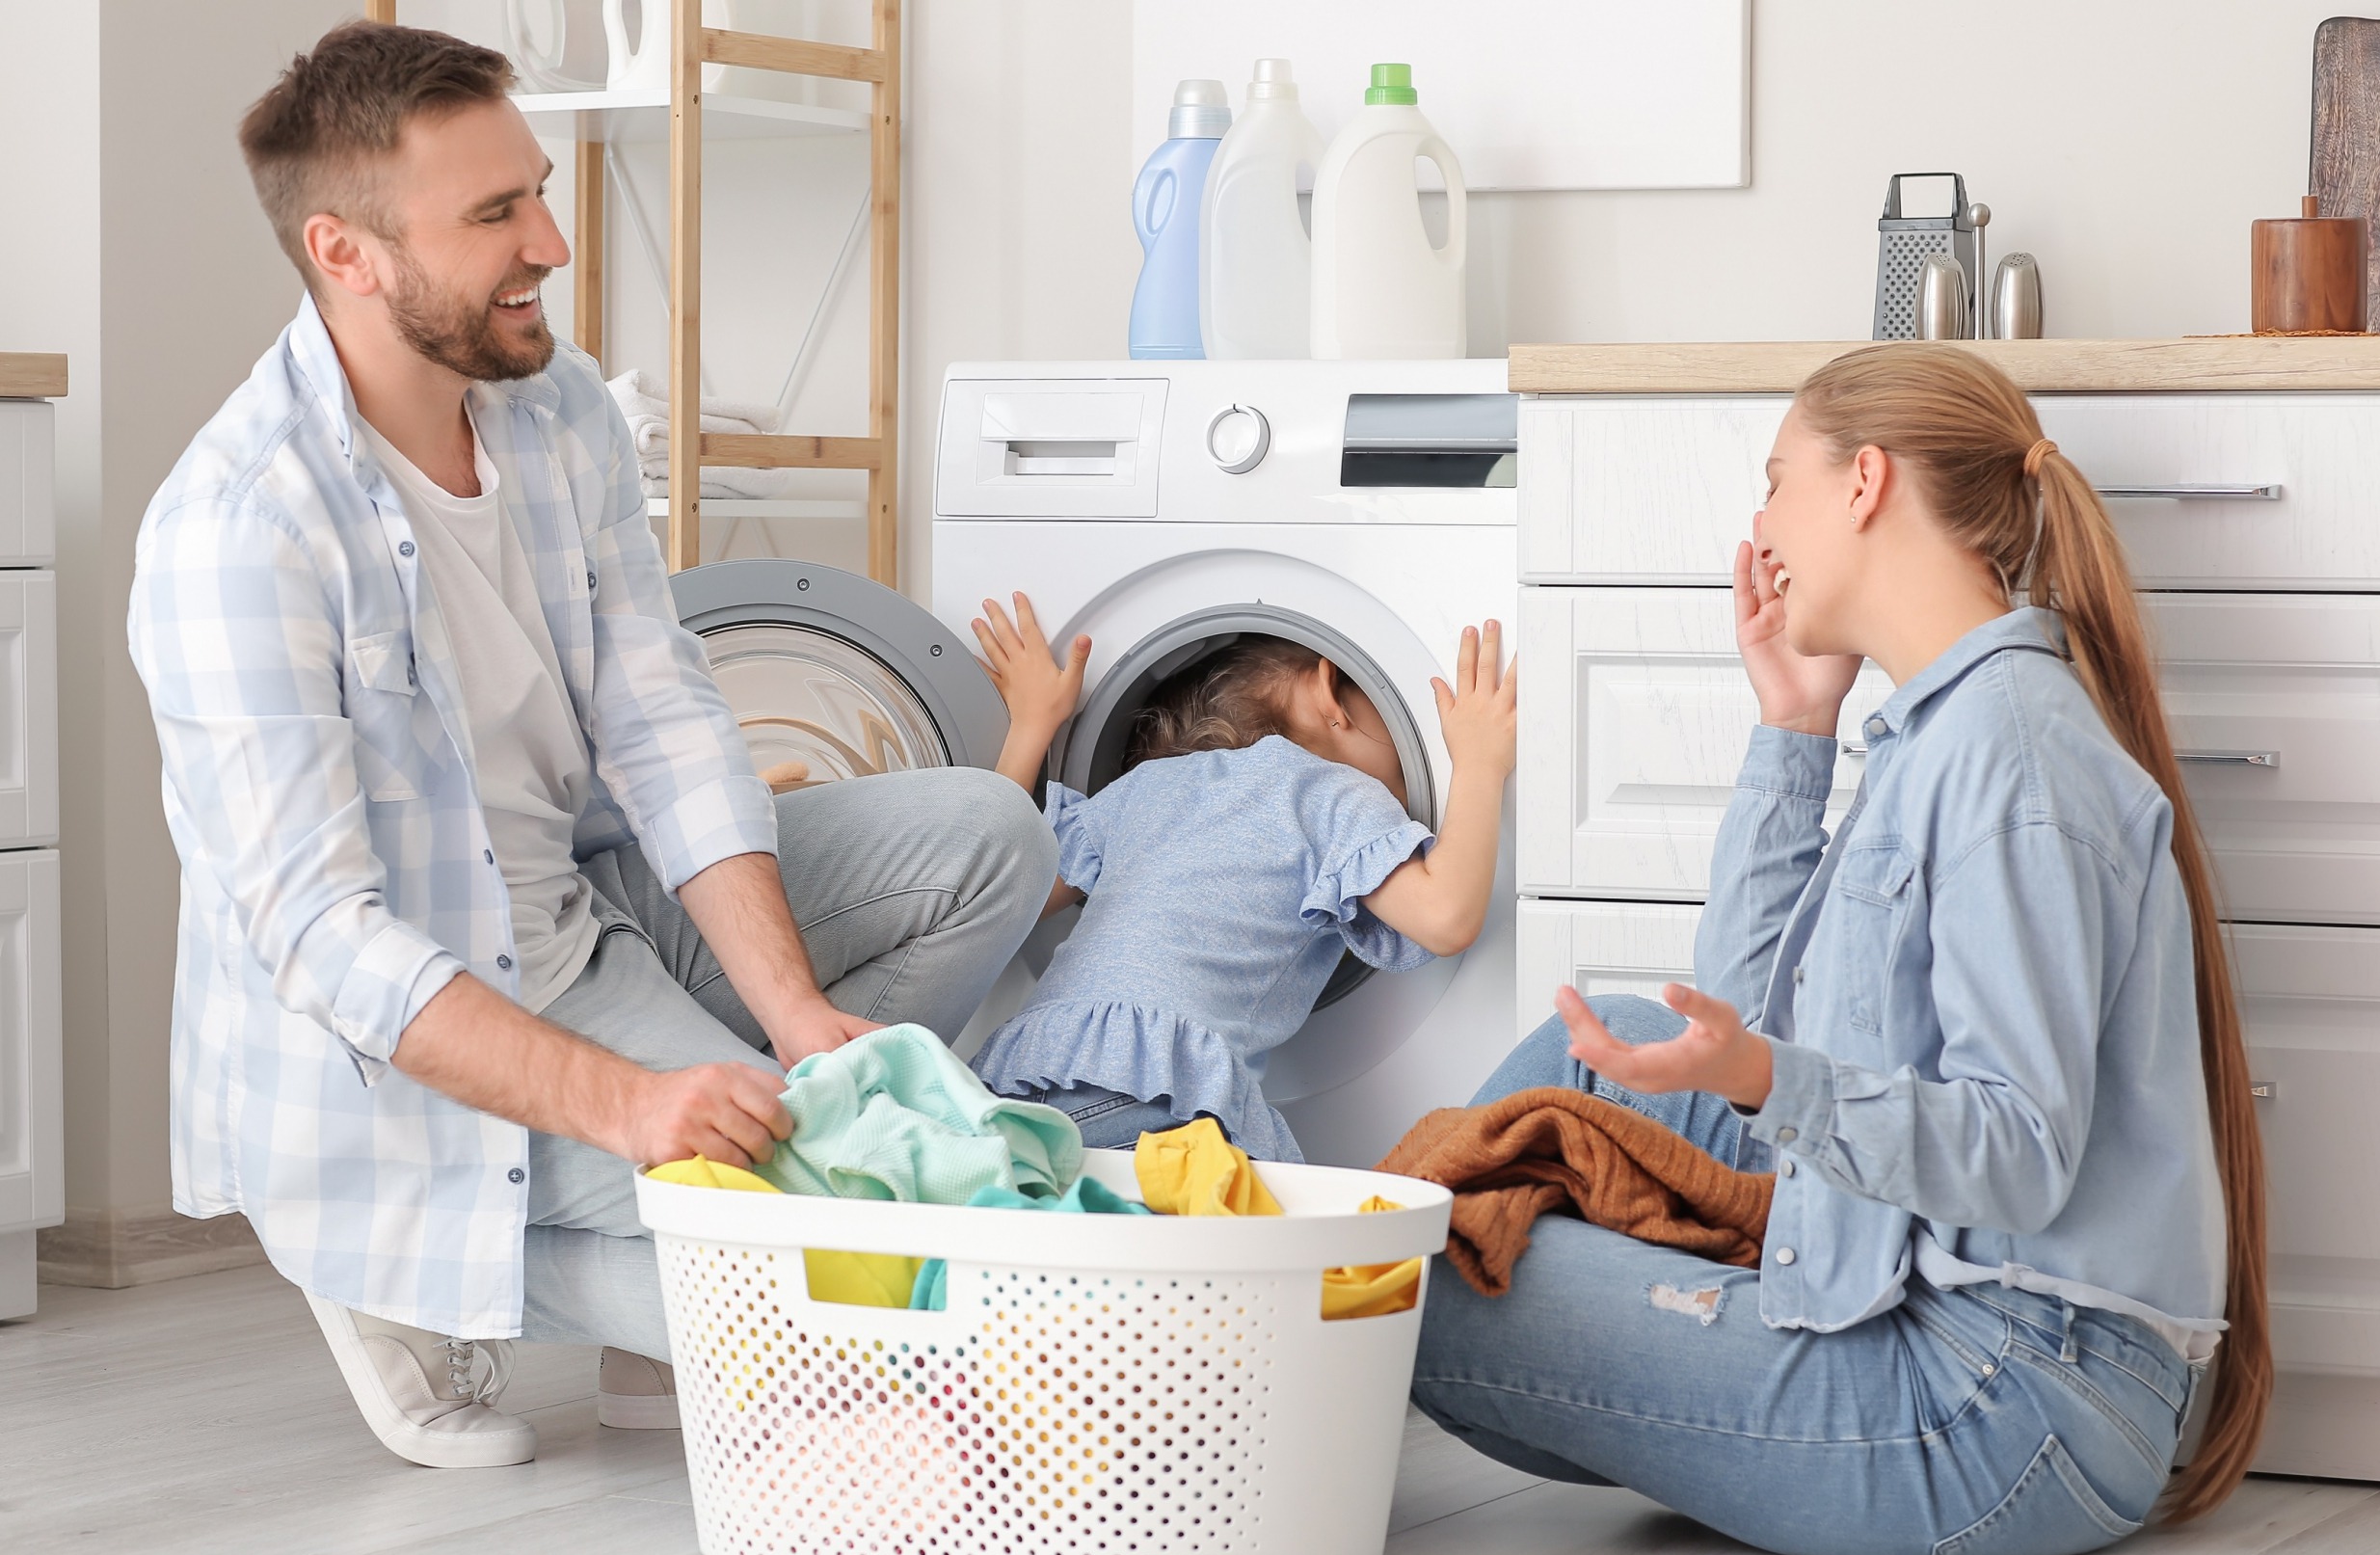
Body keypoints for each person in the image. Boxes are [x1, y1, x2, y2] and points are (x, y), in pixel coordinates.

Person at [125, 23, 1053, 1470]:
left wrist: (797, 1013)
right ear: (346, 252)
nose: (551, 242)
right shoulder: (239, 527)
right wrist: (639, 1104)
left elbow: (664, 718)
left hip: (583, 926)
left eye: (537, 192)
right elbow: (323, 934)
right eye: (495, 215)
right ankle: (389, 1264)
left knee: (990, 839)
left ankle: (651, 1268)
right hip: (401, 1058)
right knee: (815, 1285)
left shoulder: (555, 410)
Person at [1408, 345, 2271, 1555]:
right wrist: (1794, 728)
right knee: (1580, 1048)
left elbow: (2017, 1156)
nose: (1758, 528)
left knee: (1415, 1282)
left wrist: (1765, 1081)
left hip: (2005, 1402)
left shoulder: (2009, 757)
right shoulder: (1941, 727)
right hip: (1947, 1322)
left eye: (1773, 483)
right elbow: (1756, 1017)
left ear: (1863, 482)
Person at [965, 595, 1516, 1163]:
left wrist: (1032, 723)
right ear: (1332, 694)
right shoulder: (1326, 791)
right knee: (1256, 1238)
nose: (1404, 796)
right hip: (1160, 1103)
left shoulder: (1144, 787)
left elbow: (997, 894)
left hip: (1015, 1088)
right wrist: (1478, 762)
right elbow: (1446, 918)